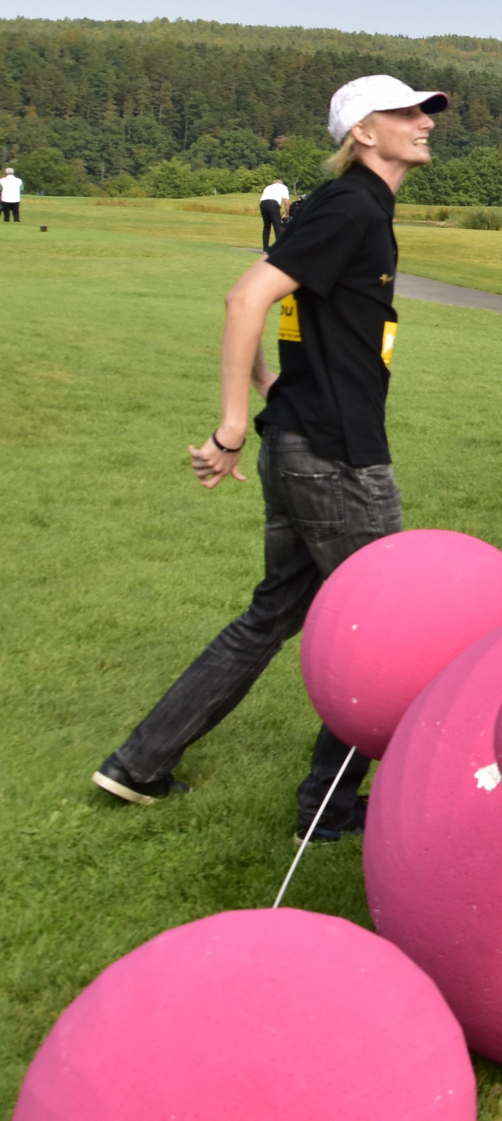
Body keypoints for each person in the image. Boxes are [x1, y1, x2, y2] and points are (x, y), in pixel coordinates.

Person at [93, 75, 447, 840]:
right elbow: (245, 299)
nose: (424, 122)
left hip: (300, 442)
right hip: (337, 457)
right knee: (391, 632)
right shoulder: (352, 207)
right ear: (363, 132)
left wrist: (270, 385)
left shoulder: (337, 207)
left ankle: (138, 764)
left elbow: (278, 305)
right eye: (406, 112)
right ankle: (328, 807)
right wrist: (231, 426)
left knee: (272, 615)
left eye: (425, 111)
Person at [260, 176, 291, 252]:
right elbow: (286, 202)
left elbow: (263, 197)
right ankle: (279, 248)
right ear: (281, 183)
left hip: (263, 204)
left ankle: (265, 248)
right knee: (277, 226)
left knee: (266, 226)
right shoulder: (283, 187)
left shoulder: (268, 187)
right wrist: (287, 214)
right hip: (273, 203)